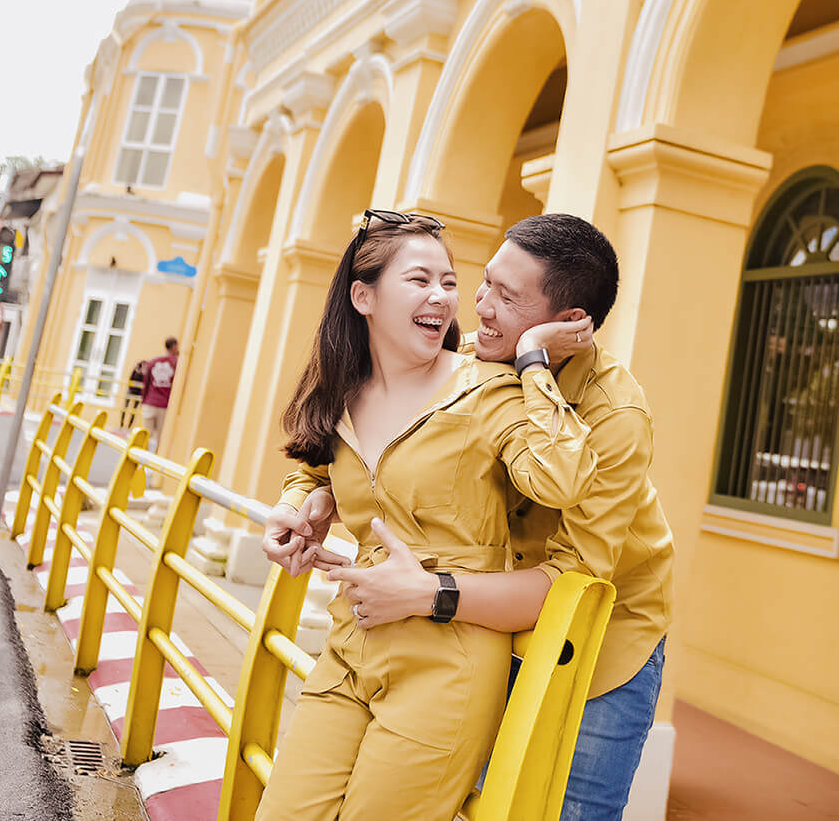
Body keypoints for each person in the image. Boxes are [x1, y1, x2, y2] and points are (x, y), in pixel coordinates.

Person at [282, 213, 673, 821]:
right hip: (465, 620)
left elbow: (569, 586)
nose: (478, 307)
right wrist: (312, 497)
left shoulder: (614, 417)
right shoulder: (471, 362)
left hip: (597, 636)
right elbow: (368, 447)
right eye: (484, 283)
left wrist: (427, 593)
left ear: (567, 325)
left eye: (508, 298)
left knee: (568, 812)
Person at [135, 337, 178, 443]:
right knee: (161, 438)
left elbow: (146, 383)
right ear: (173, 346)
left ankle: (142, 457)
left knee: (145, 436)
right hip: (164, 405)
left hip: (150, 403)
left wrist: (144, 401)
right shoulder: (176, 363)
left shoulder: (153, 362)